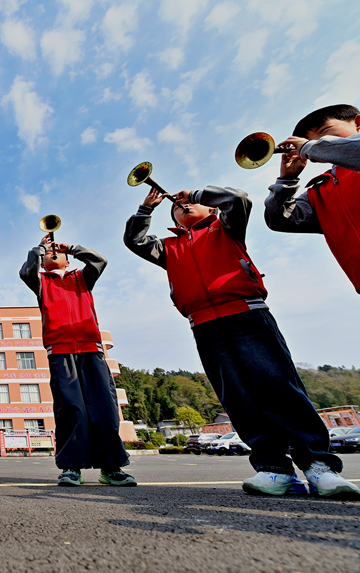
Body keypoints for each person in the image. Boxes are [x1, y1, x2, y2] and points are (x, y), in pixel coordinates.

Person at [124, 185, 360, 498]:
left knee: (278, 386)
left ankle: (318, 466)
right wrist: (146, 209)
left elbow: (237, 200)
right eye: (176, 210)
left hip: (247, 314)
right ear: (175, 224)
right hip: (204, 325)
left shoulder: (226, 227)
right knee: (237, 397)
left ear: (211, 208)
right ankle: (273, 469)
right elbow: (134, 240)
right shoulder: (169, 247)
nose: (180, 206)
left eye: (190, 204)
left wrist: (195, 193)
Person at [19, 235, 134, 487]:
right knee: (71, 409)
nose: (53, 252)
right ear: (43, 261)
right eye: (48, 252)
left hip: (91, 349)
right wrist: (39, 248)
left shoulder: (81, 278)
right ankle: (71, 468)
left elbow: (99, 260)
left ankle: (111, 468)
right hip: (59, 351)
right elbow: (26, 271)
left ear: (68, 260)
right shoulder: (41, 281)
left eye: (56, 251)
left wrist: (70, 247)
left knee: (104, 409)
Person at [264, 104, 360, 293]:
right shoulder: (318, 190)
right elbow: (279, 220)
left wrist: (310, 147)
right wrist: (286, 180)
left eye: (324, 132)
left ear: (358, 124)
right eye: (310, 141)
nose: (319, 142)